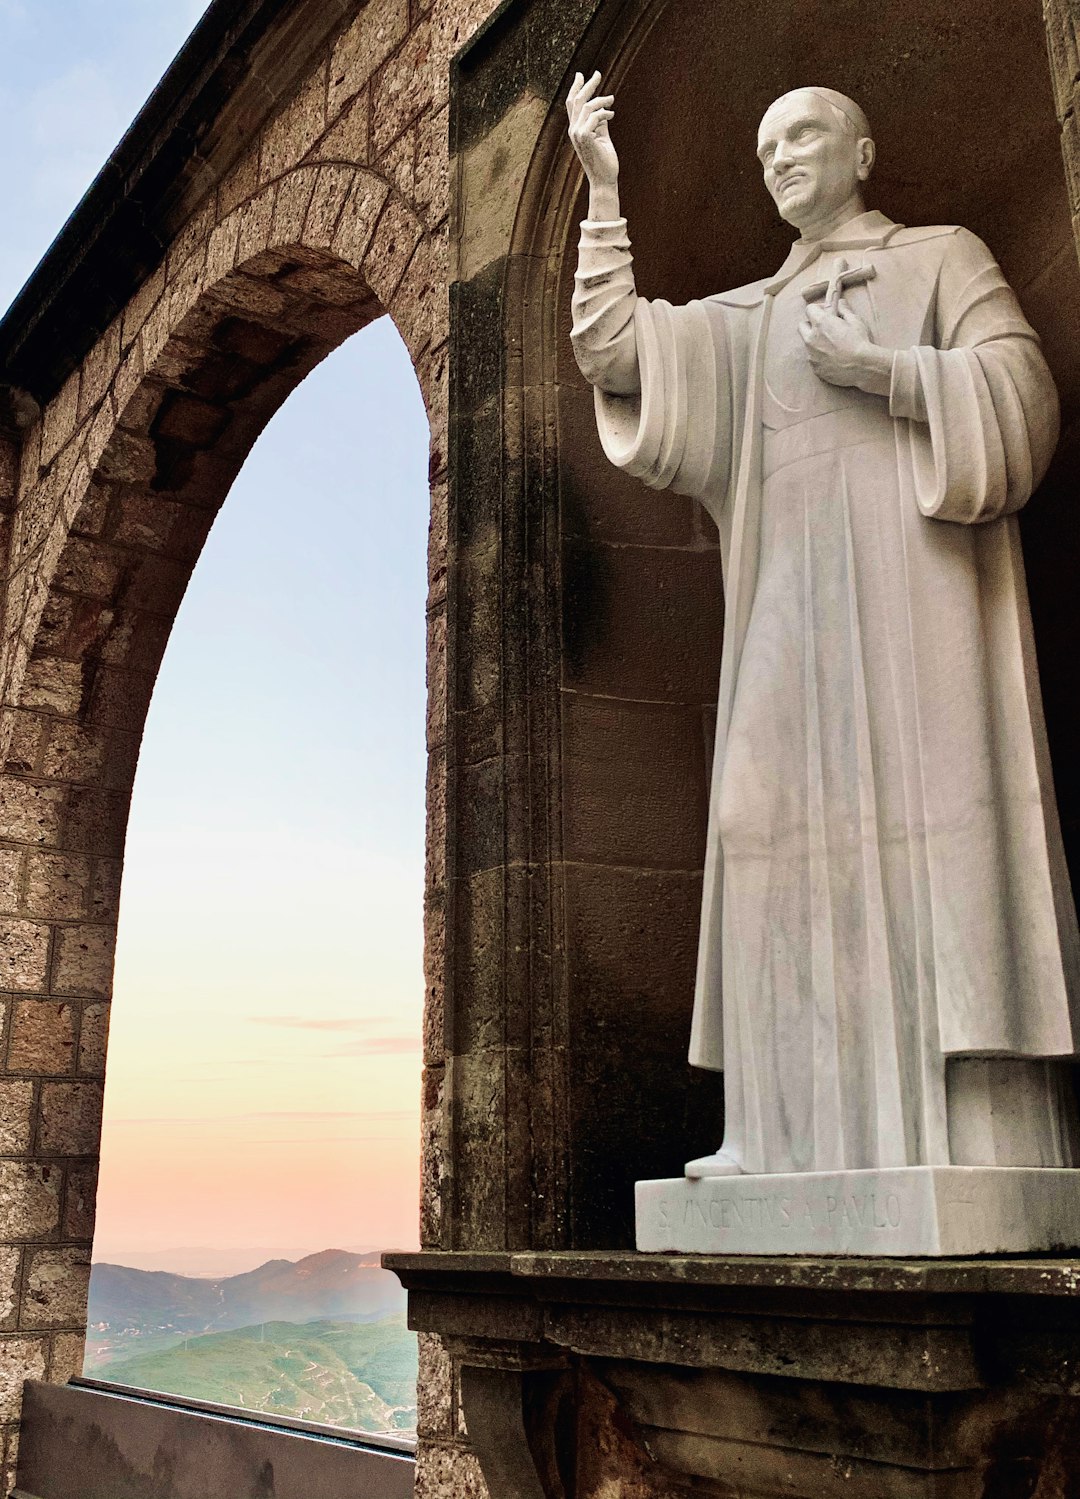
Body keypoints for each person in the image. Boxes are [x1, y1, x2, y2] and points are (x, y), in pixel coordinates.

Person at [567, 77, 1080, 1179]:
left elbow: (1025, 394)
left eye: (804, 134)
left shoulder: (942, 257)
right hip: (787, 600)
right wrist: (604, 194)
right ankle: (777, 1123)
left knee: (943, 824)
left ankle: (969, 1131)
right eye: (763, 147)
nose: (781, 157)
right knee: (757, 823)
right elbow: (611, 352)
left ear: (862, 152)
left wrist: (888, 373)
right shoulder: (749, 318)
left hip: (920, 595)